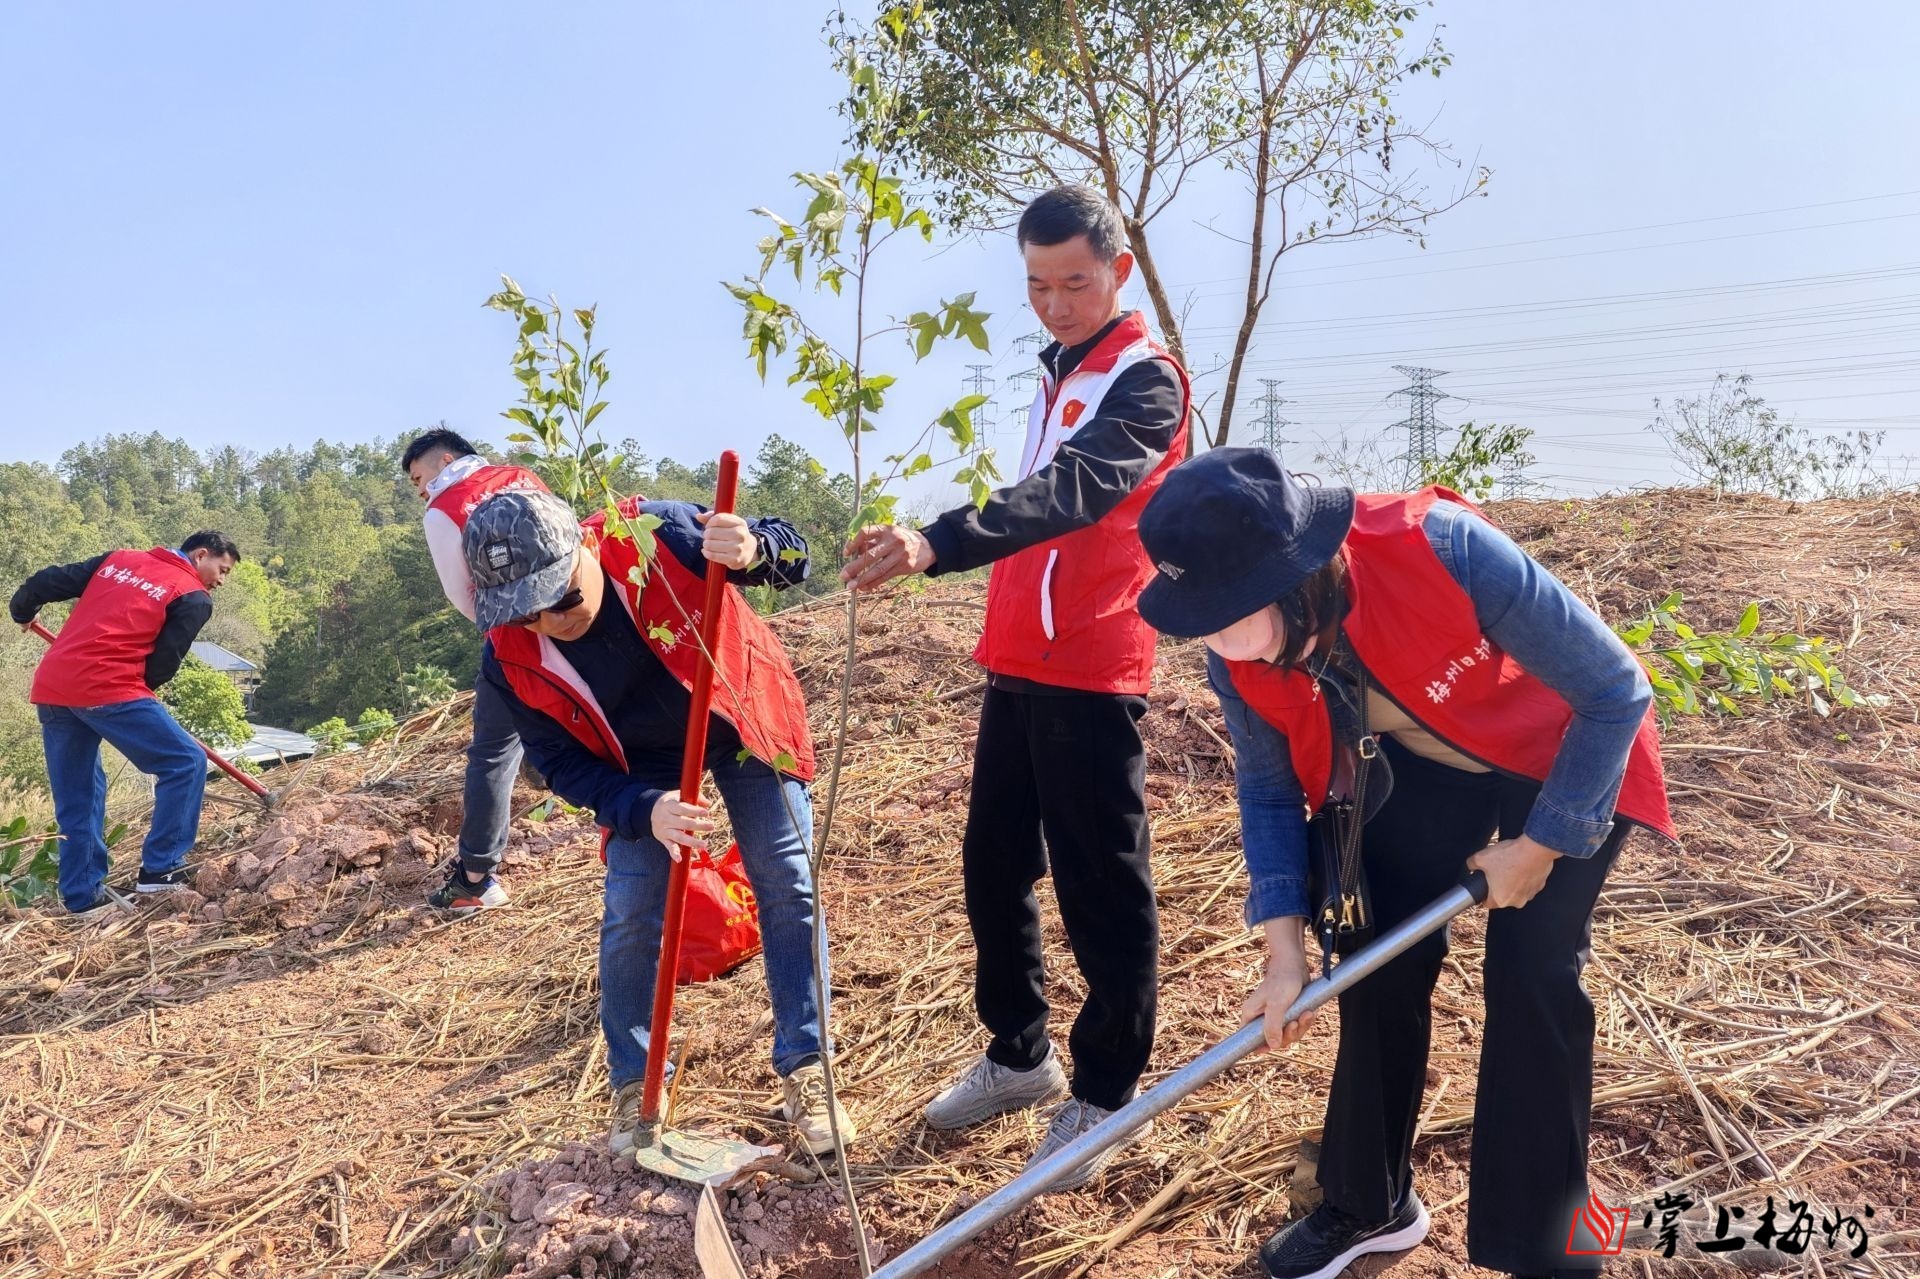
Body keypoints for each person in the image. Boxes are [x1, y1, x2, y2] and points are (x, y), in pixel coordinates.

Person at [1133, 448, 1675, 1279]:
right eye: (1200, 617)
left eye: (1230, 614)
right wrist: (1284, 951)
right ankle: (1368, 1201)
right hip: (1423, 761)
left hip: (1566, 752)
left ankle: (1553, 1249)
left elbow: (1615, 689)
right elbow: (1269, 791)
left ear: (1298, 578)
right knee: (1375, 946)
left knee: (1532, 970)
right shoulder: (1231, 654)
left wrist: (1542, 844)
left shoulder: (1441, 546)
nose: (1218, 640)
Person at [842, 184, 1190, 1189]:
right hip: (1021, 658)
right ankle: (1019, 1052)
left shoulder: (1146, 381)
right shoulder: (1058, 371)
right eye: (1037, 285)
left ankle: (1107, 1093)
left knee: (1099, 882)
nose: (1055, 304)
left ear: (1119, 271)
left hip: (1094, 660)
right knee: (993, 862)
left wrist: (938, 539)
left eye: (1074, 283)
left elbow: (1075, 492)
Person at [460, 484, 855, 1156]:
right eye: (526, 612)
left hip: (739, 712)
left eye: (562, 597)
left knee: (785, 879)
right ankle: (636, 1082)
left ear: (583, 548)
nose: (549, 622)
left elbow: (793, 557)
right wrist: (644, 809)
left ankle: (807, 1064)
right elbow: (559, 762)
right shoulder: (508, 657)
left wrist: (756, 548)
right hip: (635, 766)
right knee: (632, 907)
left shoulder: (655, 536)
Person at [9, 531, 243, 915]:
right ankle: (162, 868)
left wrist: (22, 612)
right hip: (109, 687)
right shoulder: (193, 596)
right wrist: (134, 698)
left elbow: (46, 581)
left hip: (54, 686)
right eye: (222, 570)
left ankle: (83, 898)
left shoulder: (119, 560)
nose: (220, 580)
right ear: (201, 555)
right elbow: (163, 664)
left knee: (79, 796)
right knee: (185, 762)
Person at [403, 427, 552, 916]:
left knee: (492, 754)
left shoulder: (444, 508)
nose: (421, 489)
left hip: (515, 637)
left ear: (446, 460)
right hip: (576, 622)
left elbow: (461, 594)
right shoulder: (523, 476)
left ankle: (475, 879)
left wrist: (505, 629)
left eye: (419, 477)